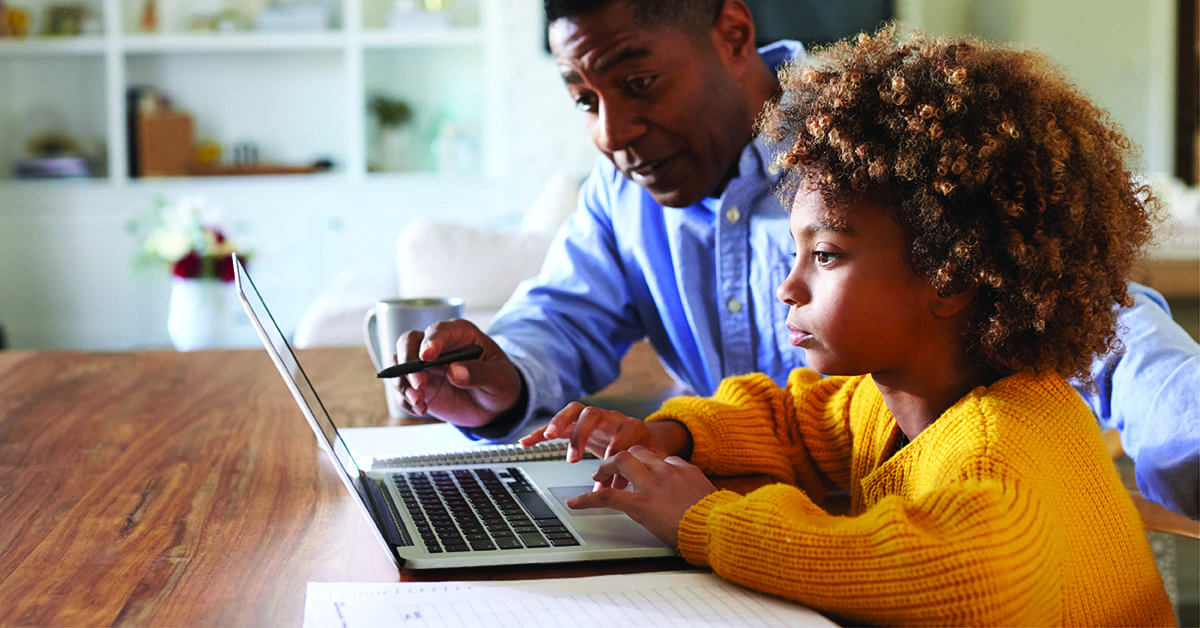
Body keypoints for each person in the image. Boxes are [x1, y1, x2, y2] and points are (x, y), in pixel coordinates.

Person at [390, 0, 1199, 519]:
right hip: (726, 519)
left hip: (883, 525)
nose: (611, 132)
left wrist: (1188, 438)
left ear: (733, 36)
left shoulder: (865, 156)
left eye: (640, 81)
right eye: (586, 100)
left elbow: (1096, 317)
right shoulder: (622, 192)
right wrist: (499, 378)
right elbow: (563, 317)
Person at [521, 25, 1175, 625]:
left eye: (826, 255)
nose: (789, 285)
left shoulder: (997, 449)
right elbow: (792, 422)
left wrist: (704, 519)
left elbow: (960, 578)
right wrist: (670, 435)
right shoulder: (889, 397)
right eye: (797, 252)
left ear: (949, 277)